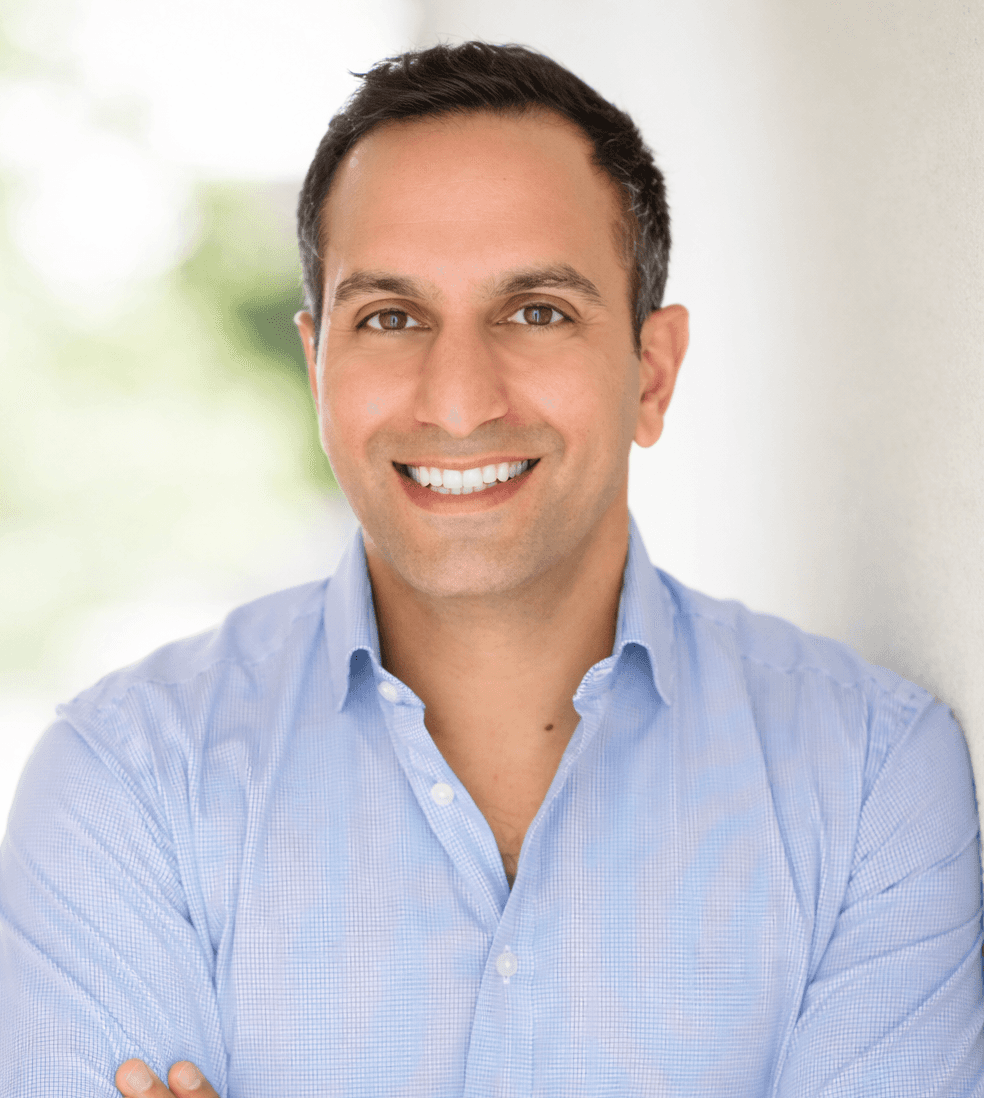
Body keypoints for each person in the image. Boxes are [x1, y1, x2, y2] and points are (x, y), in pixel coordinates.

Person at [1, 39, 982, 1098]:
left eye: (537, 312)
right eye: (390, 317)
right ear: (318, 367)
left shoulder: (875, 785)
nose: (459, 400)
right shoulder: (129, 788)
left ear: (652, 374)